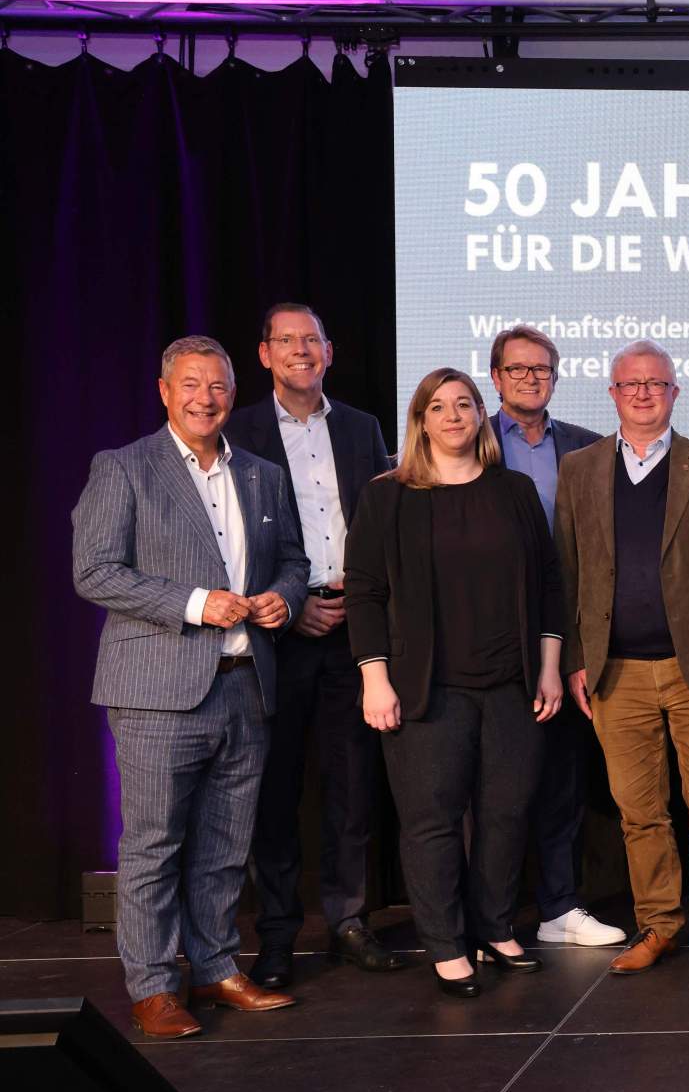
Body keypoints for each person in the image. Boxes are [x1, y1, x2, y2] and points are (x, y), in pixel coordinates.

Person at [74, 335, 308, 1038]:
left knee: (225, 845)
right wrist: (196, 603)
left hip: (245, 686)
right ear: (164, 391)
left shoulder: (262, 474)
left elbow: (293, 560)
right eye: (191, 384)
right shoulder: (123, 467)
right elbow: (95, 571)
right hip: (157, 692)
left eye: (218, 386)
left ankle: (214, 967)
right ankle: (152, 987)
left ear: (233, 395)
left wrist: (283, 598)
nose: (205, 398)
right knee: (153, 845)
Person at [345, 368, 564, 999]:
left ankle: (494, 927)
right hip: (425, 691)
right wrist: (375, 679)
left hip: (512, 685)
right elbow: (364, 592)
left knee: (506, 814)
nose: (452, 416)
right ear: (419, 421)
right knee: (432, 821)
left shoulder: (515, 490)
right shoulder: (388, 496)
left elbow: (550, 582)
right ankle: (446, 944)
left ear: (480, 415)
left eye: (463, 404)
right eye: (437, 407)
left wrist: (549, 665)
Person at [554, 341, 689, 986]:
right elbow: (568, 569)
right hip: (615, 672)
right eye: (631, 384)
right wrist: (577, 660)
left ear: (675, 392)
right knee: (640, 812)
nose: (643, 394)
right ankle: (659, 924)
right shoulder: (580, 468)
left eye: (656, 384)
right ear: (613, 393)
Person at [225, 303, 401, 989]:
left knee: (352, 785)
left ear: (329, 351)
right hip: (278, 631)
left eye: (312, 340)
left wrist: (362, 600)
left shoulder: (361, 427)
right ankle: (276, 933)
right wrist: (290, 604)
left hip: (355, 629)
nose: (301, 350)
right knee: (275, 788)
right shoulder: (237, 430)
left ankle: (349, 920)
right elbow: (229, 534)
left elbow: (379, 524)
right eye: (286, 340)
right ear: (264, 354)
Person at [487, 323, 626, 950]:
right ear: (496, 377)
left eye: (540, 369)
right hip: (490, 634)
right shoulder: (470, 439)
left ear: (555, 377)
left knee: (564, 783)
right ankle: (486, 917)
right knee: (493, 787)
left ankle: (559, 907)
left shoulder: (589, 447)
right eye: (517, 369)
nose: (529, 378)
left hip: (568, 632)